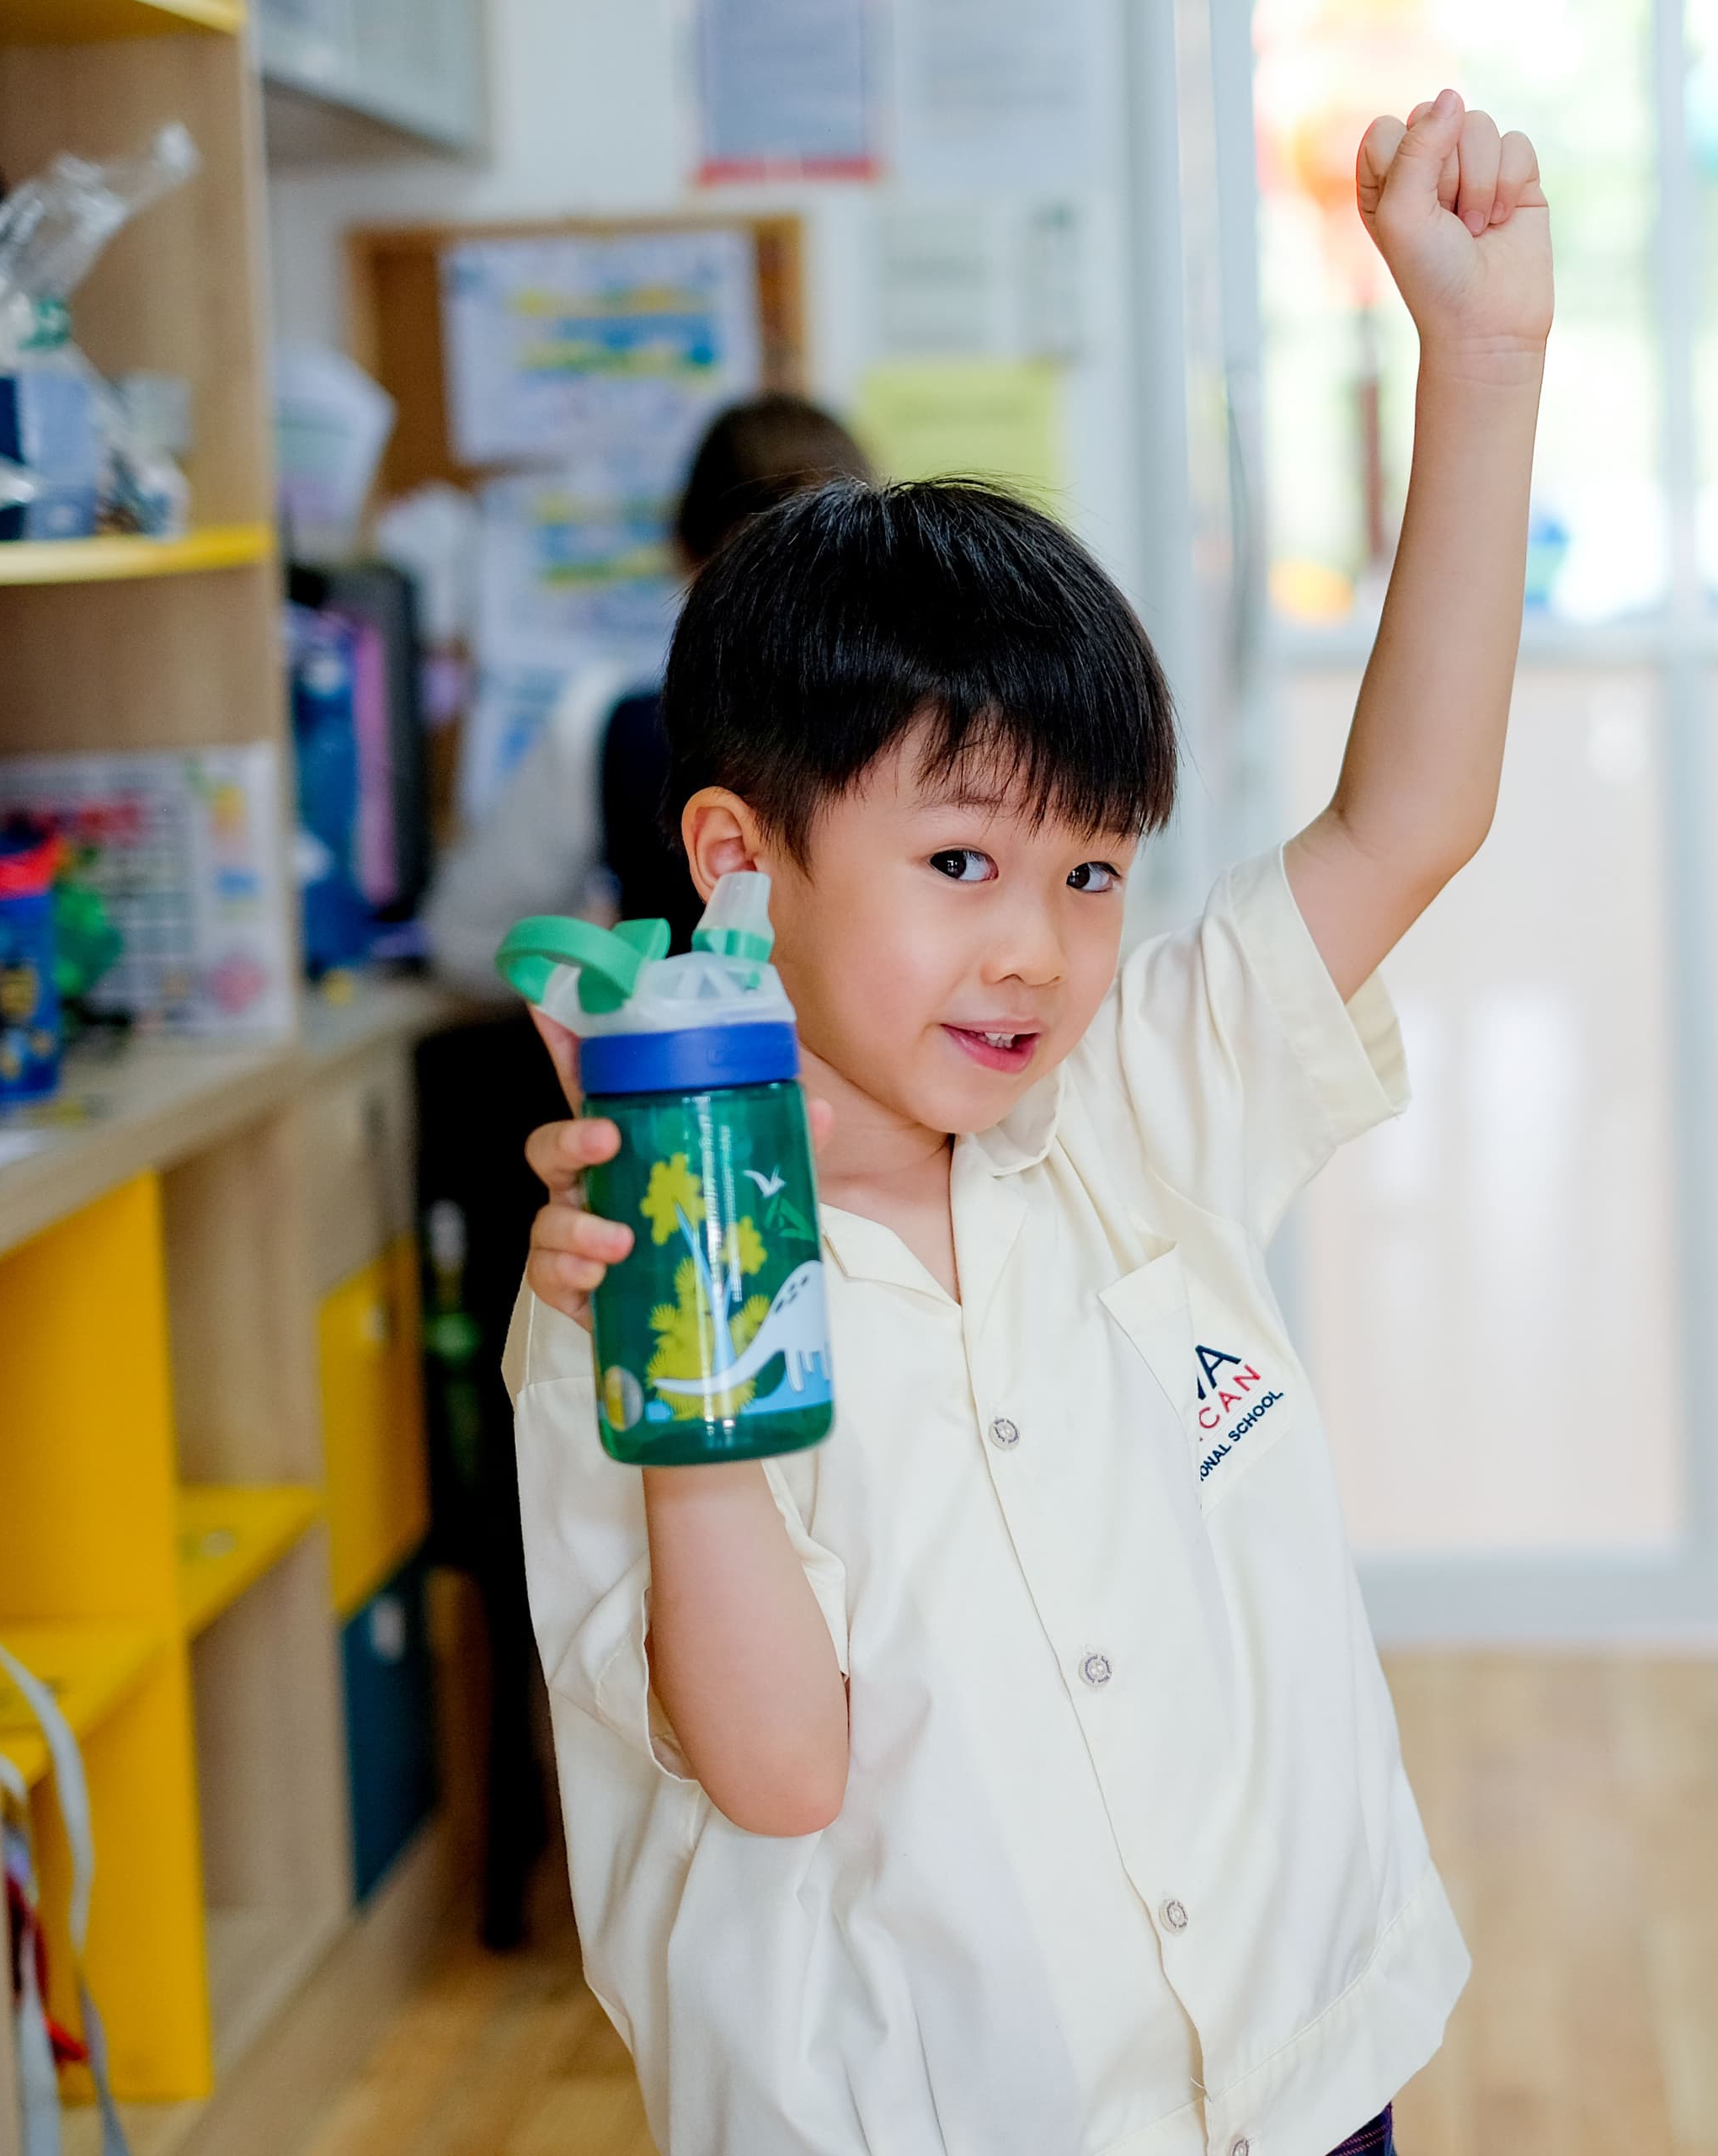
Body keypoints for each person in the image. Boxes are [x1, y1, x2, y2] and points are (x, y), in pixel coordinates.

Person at [503, 91, 1546, 2154]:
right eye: (963, 863)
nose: (1039, 952)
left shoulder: (1130, 1102)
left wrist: (1481, 358)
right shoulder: (619, 1292)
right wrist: (694, 1354)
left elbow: (1409, 816)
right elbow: (782, 1765)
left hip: (1294, 2077)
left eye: (1090, 875)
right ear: (740, 857)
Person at [411, 393, 870, 1950]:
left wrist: (620, 966)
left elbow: (471, 931)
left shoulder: (614, 716)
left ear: (684, 560)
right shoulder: (890, 743)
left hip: (665, 1217)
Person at [419, 392, 873, 991]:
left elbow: (465, 939)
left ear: (683, 551)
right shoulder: (932, 724)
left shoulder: (610, 729)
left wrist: (609, 956)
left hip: (679, 1075)